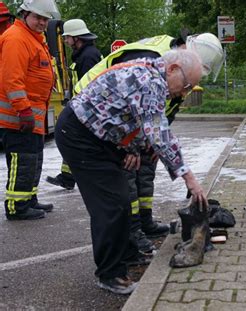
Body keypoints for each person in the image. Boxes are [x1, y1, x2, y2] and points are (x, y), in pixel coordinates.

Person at [54, 48, 209, 294]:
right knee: (111, 205)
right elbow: (159, 134)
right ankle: (110, 274)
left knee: (123, 200)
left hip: (100, 137)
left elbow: (132, 116)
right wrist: (189, 178)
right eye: (187, 85)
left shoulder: (152, 75)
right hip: (81, 137)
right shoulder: (150, 81)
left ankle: (127, 255)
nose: (185, 92)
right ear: (173, 69)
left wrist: (134, 149)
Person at [70, 32, 224, 255]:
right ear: (184, 58)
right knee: (125, 183)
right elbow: (125, 99)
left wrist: (148, 143)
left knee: (143, 172)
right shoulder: (153, 61)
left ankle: (144, 223)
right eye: (187, 85)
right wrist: (130, 145)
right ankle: (132, 237)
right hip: (93, 114)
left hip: (127, 124)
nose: (185, 92)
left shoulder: (176, 72)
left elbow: (162, 116)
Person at [0, 0, 59, 221]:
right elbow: (12, 80)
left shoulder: (33, 39)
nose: (42, 22)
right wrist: (23, 110)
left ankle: (29, 199)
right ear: (25, 14)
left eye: (45, 19)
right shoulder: (16, 38)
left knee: (32, 160)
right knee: (23, 160)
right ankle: (17, 207)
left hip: (31, 116)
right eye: (38, 18)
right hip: (17, 118)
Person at [46, 18, 101, 190]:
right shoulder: (86, 54)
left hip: (85, 108)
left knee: (75, 140)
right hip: (82, 106)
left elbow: (90, 84)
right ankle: (68, 177)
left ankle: (71, 177)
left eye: (67, 38)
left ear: (77, 38)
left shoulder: (88, 56)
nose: (66, 41)